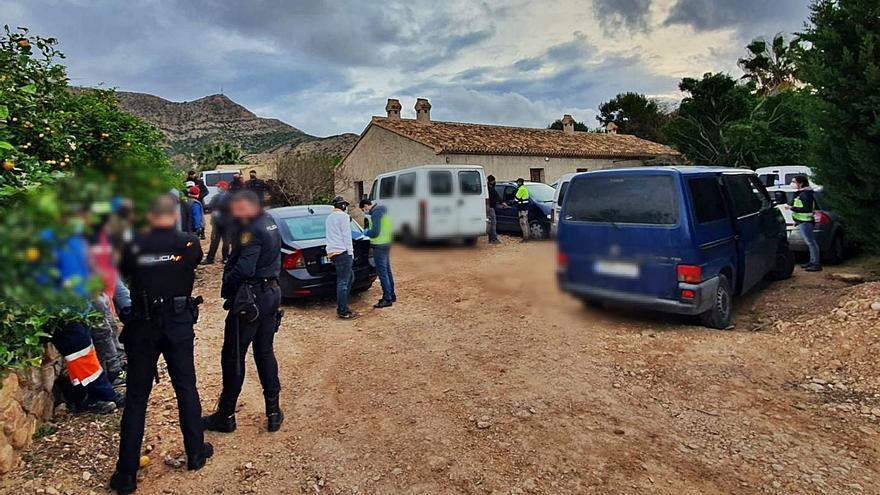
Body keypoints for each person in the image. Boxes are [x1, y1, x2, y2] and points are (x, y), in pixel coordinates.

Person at [110, 194, 212, 494]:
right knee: (186, 388)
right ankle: (195, 452)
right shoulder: (189, 243)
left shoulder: (132, 245)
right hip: (178, 324)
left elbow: (125, 272)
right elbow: (192, 264)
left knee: (137, 398)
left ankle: (126, 474)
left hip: (142, 326)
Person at [203, 190, 284, 434]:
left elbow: (245, 268)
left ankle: (225, 415)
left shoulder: (250, 230)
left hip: (252, 299)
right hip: (271, 293)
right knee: (264, 352)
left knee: (233, 356)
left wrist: (227, 282)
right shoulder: (270, 222)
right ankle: (273, 412)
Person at [40, 208, 121, 414]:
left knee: (84, 352)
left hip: (77, 306)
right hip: (63, 309)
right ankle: (100, 396)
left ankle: (88, 394)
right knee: (80, 352)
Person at [360, 199, 396, 308]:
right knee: (387, 271)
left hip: (379, 245)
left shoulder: (376, 213)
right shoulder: (383, 210)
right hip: (386, 242)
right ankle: (391, 294)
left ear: (366, 205)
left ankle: (387, 298)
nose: (364, 211)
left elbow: (375, 232)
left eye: (363, 209)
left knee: (382, 273)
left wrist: (366, 232)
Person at [325, 196, 356, 319]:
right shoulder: (343, 217)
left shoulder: (329, 218)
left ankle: (343, 305)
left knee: (350, 277)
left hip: (333, 251)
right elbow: (346, 236)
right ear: (343, 206)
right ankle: (342, 310)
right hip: (342, 251)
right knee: (343, 281)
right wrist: (351, 252)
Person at [784, 175, 822, 272]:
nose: (792, 184)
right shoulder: (801, 193)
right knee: (810, 242)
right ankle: (812, 261)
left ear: (800, 183)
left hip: (806, 221)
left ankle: (816, 263)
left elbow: (805, 209)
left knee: (811, 242)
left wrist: (791, 208)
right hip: (801, 221)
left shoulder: (806, 194)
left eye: (794, 181)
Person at [204, 180, 231, 264]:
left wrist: (203, 206)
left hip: (217, 223)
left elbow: (209, 206)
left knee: (215, 241)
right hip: (228, 223)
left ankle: (210, 258)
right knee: (226, 241)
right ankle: (225, 258)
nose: (217, 188)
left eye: (218, 187)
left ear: (223, 188)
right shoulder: (232, 197)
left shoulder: (216, 197)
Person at [486, 175, 504, 245]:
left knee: (490, 224)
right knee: (493, 223)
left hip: (487, 208)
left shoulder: (486, 188)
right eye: (494, 180)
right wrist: (502, 203)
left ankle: (490, 239)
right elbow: (497, 196)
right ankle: (494, 239)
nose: (495, 182)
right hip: (491, 208)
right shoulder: (491, 189)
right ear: (492, 181)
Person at [514, 178, 531, 242]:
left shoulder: (521, 189)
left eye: (518, 182)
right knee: (526, 222)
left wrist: (509, 203)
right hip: (525, 208)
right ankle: (528, 236)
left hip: (522, 209)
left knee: (523, 223)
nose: (517, 184)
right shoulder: (525, 188)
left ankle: (525, 238)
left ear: (520, 182)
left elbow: (516, 199)